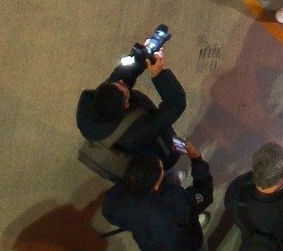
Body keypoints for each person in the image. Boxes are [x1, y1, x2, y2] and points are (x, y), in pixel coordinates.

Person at [77, 47, 188, 179]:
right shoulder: (138, 131)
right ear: (126, 105)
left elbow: (117, 79)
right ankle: (173, 177)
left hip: (125, 150)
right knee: (168, 167)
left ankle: (181, 152)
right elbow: (176, 103)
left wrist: (141, 57)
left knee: (177, 142)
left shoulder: (93, 105)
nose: (121, 81)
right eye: (124, 89)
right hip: (156, 156)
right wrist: (159, 75)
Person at [101, 147, 212, 251]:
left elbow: (109, 214)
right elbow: (205, 192)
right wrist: (196, 159)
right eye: (162, 170)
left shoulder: (114, 198)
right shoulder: (176, 200)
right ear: (156, 186)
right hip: (187, 245)